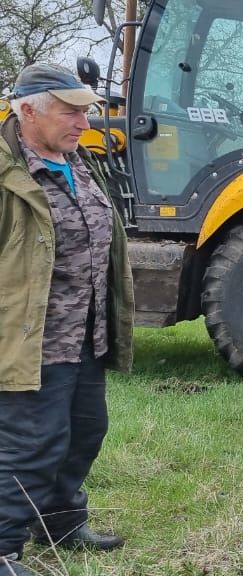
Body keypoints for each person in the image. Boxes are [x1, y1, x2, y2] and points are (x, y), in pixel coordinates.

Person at [0, 64, 135, 576]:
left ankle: (59, 523)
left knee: (85, 430)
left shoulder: (74, 161)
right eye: (70, 110)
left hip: (83, 333)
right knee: (30, 443)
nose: (83, 121)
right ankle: (2, 547)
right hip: (28, 337)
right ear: (27, 109)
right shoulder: (7, 171)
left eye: (85, 111)